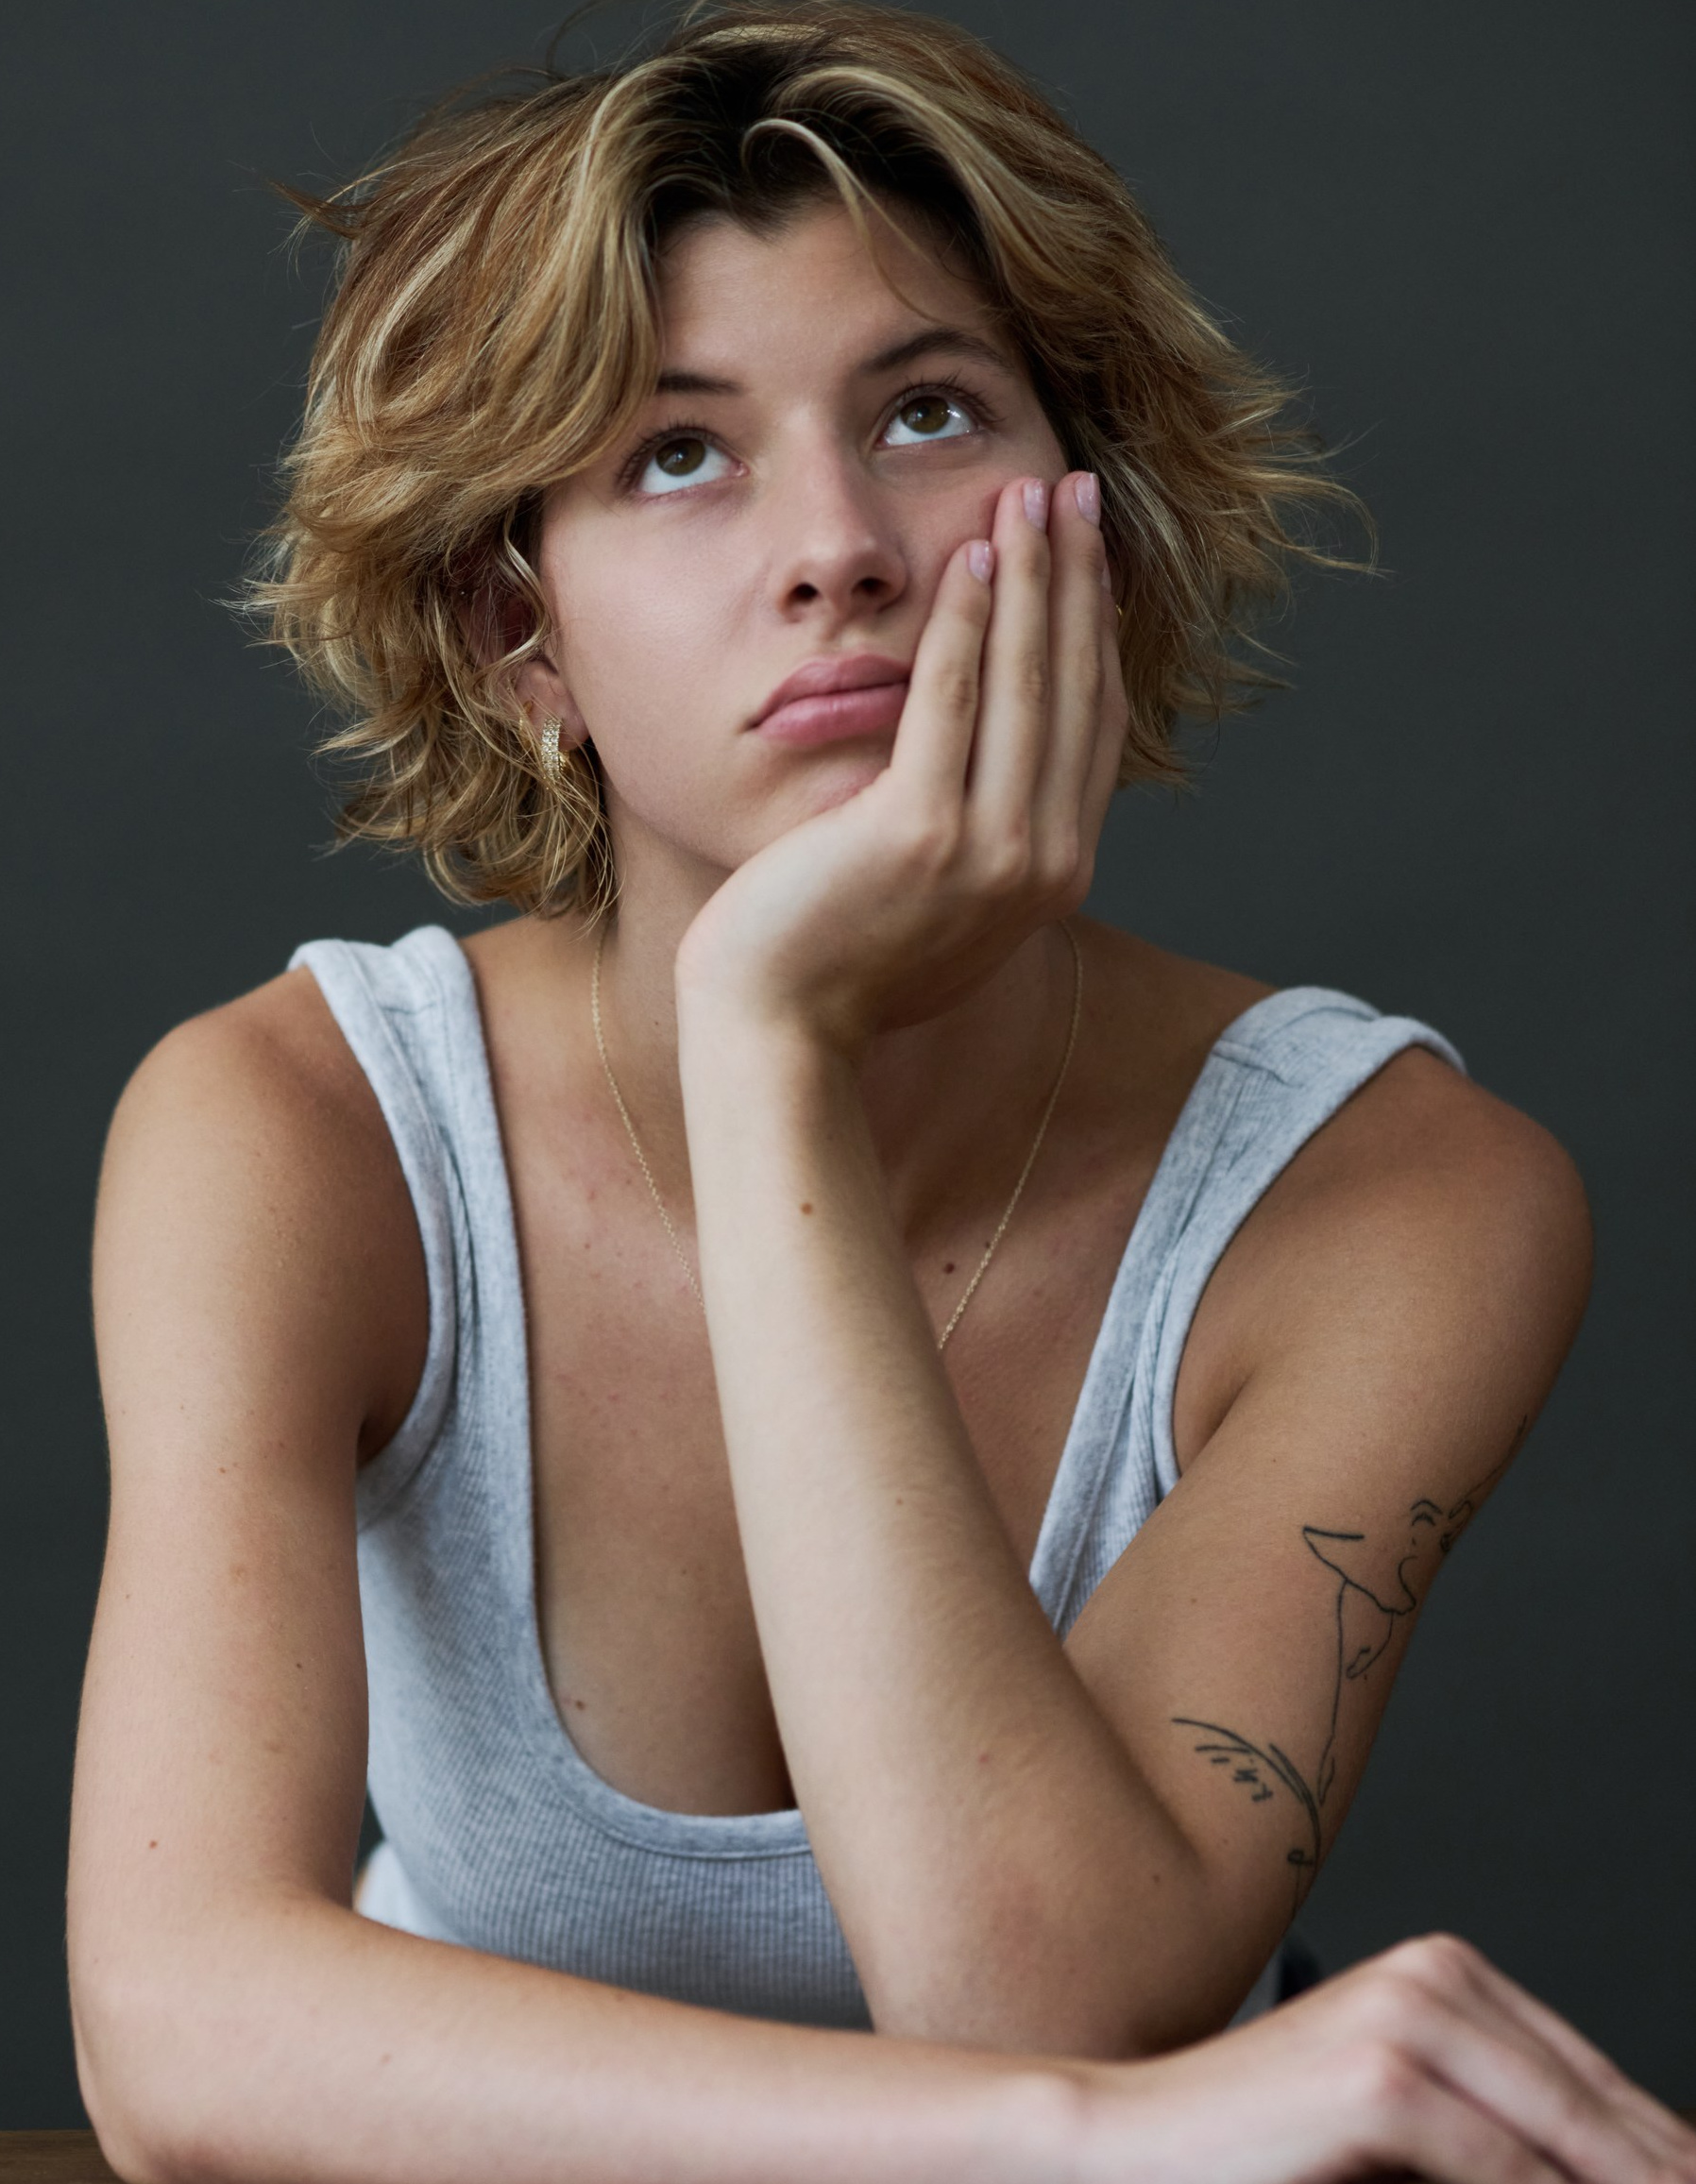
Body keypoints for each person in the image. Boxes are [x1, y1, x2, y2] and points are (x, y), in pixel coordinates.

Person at [65, 6, 1696, 2179]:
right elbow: (175, 2030)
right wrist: (1076, 2143)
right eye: (675, 450)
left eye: (927, 412)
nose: (838, 546)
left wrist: (762, 1058)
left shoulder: (1399, 1193)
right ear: (514, 638)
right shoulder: (294, 1130)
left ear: (1088, 529)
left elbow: (1033, 1988)